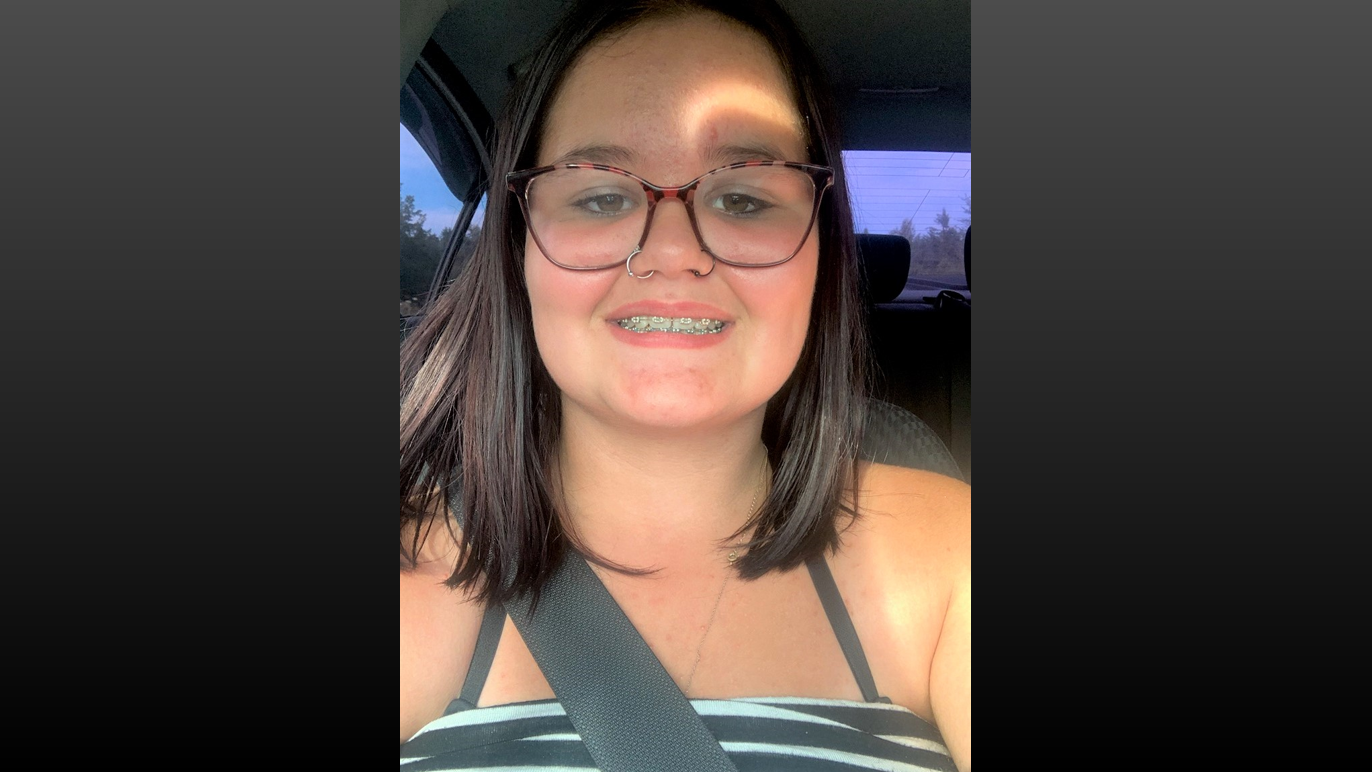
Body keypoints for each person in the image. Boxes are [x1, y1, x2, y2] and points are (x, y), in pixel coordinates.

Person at [399, 1, 970, 769]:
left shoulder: (953, 552)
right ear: (518, 248)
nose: (673, 252)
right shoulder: (409, 573)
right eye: (599, 196)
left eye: (743, 199)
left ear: (819, 254)